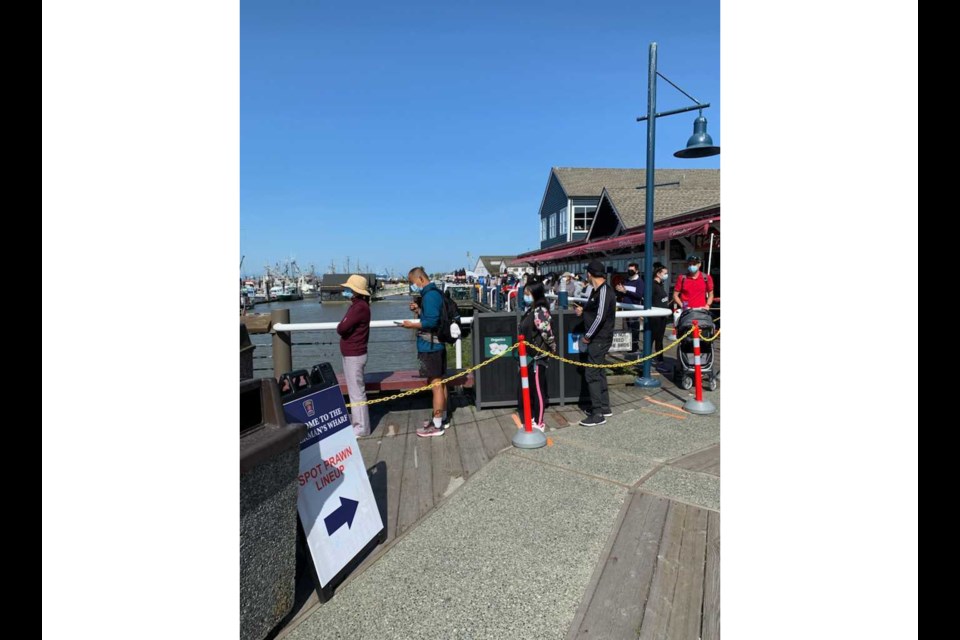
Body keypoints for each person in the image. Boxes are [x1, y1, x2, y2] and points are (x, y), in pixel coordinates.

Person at [402, 266, 449, 437]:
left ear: (420, 279)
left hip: (431, 346)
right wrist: (419, 311)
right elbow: (432, 317)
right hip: (437, 345)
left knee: (436, 384)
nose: (412, 286)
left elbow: (430, 322)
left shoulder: (429, 296)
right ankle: (441, 417)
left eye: (412, 282)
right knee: (440, 382)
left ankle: (436, 426)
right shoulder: (435, 293)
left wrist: (411, 325)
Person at [575, 259, 616, 427]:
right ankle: (605, 407)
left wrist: (588, 336)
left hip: (599, 339)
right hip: (599, 338)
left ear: (590, 274)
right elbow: (595, 311)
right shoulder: (597, 291)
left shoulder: (604, 291)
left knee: (592, 374)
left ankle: (597, 412)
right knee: (599, 373)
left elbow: (600, 317)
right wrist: (583, 311)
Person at [517, 280, 557, 431]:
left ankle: (540, 422)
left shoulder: (540, 310)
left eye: (528, 293)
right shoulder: (531, 309)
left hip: (538, 356)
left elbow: (547, 332)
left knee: (539, 389)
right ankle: (534, 417)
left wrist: (552, 348)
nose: (525, 296)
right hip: (530, 354)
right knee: (533, 388)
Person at [336, 274, 372, 437]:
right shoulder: (360, 305)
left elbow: (342, 328)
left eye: (348, 289)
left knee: (356, 392)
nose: (345, 291)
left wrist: (342, 324)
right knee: (355, 390)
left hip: (354, 354)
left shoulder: (359, 307)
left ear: (355, 291)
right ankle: (358, 424)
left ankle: (361, 428)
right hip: (353, 353)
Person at [615, 262, 644, 354]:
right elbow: (624, 292)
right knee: (627, 327)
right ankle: (627, 345)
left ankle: (634, 346)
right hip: (625, 307)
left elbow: (639, 295)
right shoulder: (627, 280)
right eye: (628, 270)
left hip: (634, 308)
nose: (629, 271)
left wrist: (626, 291)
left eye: (631, 270)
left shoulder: (639, 282)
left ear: (636, 271)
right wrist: (620, 290)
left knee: (634, 328)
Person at [648, 263, 671, 367]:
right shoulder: (653, 285)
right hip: (655, 317)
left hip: (662, 317)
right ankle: (650, 358)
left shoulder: (660, 285)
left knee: (659, 339)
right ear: (658, 274)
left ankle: (659, 358)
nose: (666, 275)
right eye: (665, 273)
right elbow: (648, 299)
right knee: (653, 338)